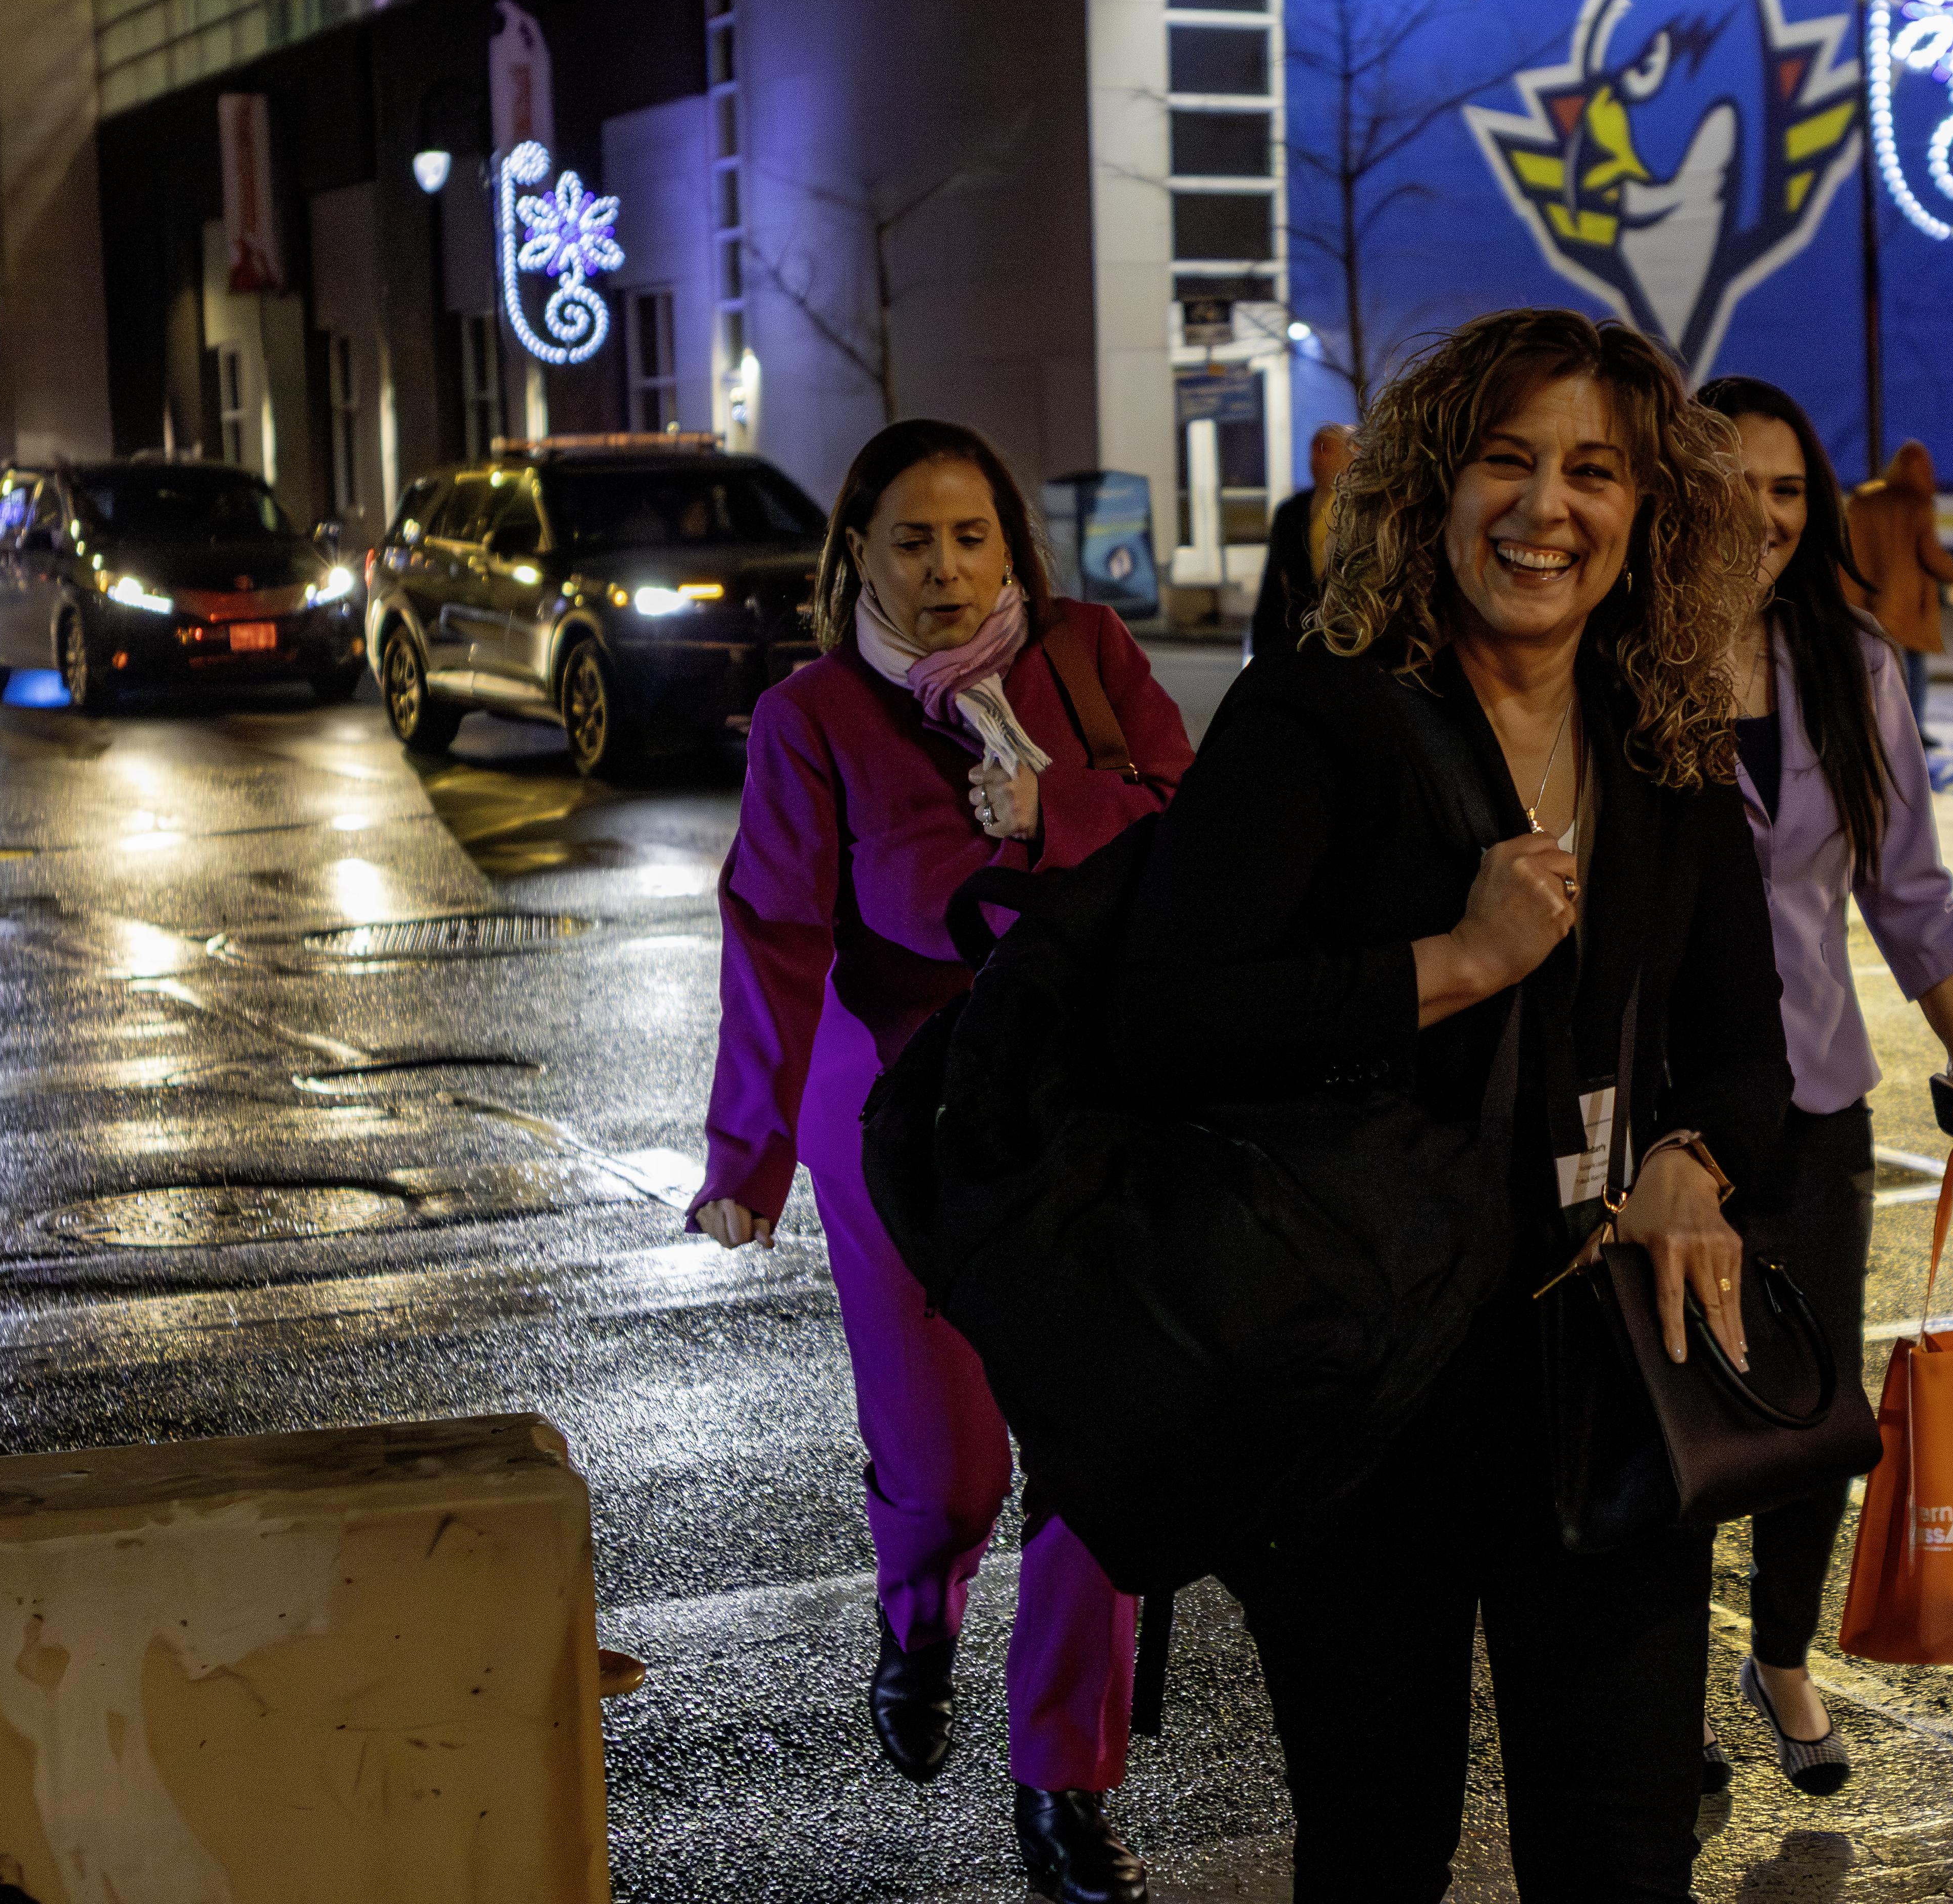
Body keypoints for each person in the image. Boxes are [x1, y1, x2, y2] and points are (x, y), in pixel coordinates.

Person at [1115, 309, 1790, 1902]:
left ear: (1643, 513)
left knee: (1621, 1845)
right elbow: (1162, 1019)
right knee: (1376, 1839)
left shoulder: (1664, 736)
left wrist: (1695, 1159)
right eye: (1505, 459)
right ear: (1433, 486)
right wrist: (1452, 959)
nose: (1543, 507)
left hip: (1599, 1358)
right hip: (1365, 1374)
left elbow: (1745, 1042)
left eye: (1590, 471)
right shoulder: (1316, 718)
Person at [689, 419, 1196, 1904]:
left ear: (1011, 549)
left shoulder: (1087, 660)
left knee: (1093, 1463)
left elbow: (1189, 824)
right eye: (910, 540)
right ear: (855, 552)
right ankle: (918, 1615)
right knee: (954, 1472)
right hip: (901, 1121)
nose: (944, 570)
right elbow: (776, 936)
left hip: (1085, 1113)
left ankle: (1062, 1788)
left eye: (970, 536)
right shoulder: (816, 715)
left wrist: (1058, 809)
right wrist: (746, 1148)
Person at [1694, 376, 1953, 1800]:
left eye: (1789, 489)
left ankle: (1784, 1655)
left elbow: (1903, 881)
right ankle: (1660, 1686)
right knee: (1670, 1401)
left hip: (1816, 1093)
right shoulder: (1621, 652)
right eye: (1732, 483)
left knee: (1810, 1417)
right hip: (1660, 1116)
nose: (1762, 514)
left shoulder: (1851, 658)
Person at [1841, 439, 1953, 746]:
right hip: (1905, 601)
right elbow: (1929, 552)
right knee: (1912, 667)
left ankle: (1870, 728)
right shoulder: (1917, 504)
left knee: (1867, 667)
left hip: (1862, 595)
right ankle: (1911, 731)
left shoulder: (1863, 498)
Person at [1246, 419, 1355, 659]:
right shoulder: (1292, 511)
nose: (1316, 457)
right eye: (1315, 449)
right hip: (1298, 642)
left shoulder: (1367, 512)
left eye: (1327, 449)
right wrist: (1261, 644)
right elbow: (1274, 581)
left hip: (1349, 644)